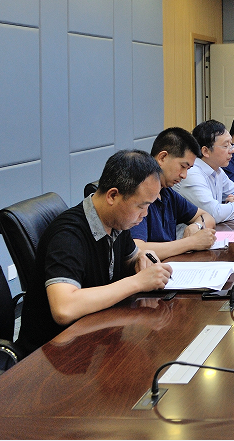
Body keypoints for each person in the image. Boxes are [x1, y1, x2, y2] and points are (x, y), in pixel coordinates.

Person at [19, 150, 173, 352]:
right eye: (141, 206)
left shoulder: (117, 222)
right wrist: (137, 282)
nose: (144, 215)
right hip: (53, 352)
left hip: (97, 336)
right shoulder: (68, 236)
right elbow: (64, 308)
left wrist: (141, 258)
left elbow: (131, 257)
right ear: (113, 196)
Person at [129, 127, 218, 259]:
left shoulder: (167, 193)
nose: (184, 175)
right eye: (182, 166)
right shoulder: (138, 193)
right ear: (162, 157)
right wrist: (191, 242)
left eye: (188, 169)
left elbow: (207, 216)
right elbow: (137, 249)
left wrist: (196, 225)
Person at [173, 120, 234, 223]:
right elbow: (215, 214)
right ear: (205, 151)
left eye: (231, 144)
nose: (232, 150)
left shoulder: (217, 170)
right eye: (225, 146)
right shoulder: (192, 173)